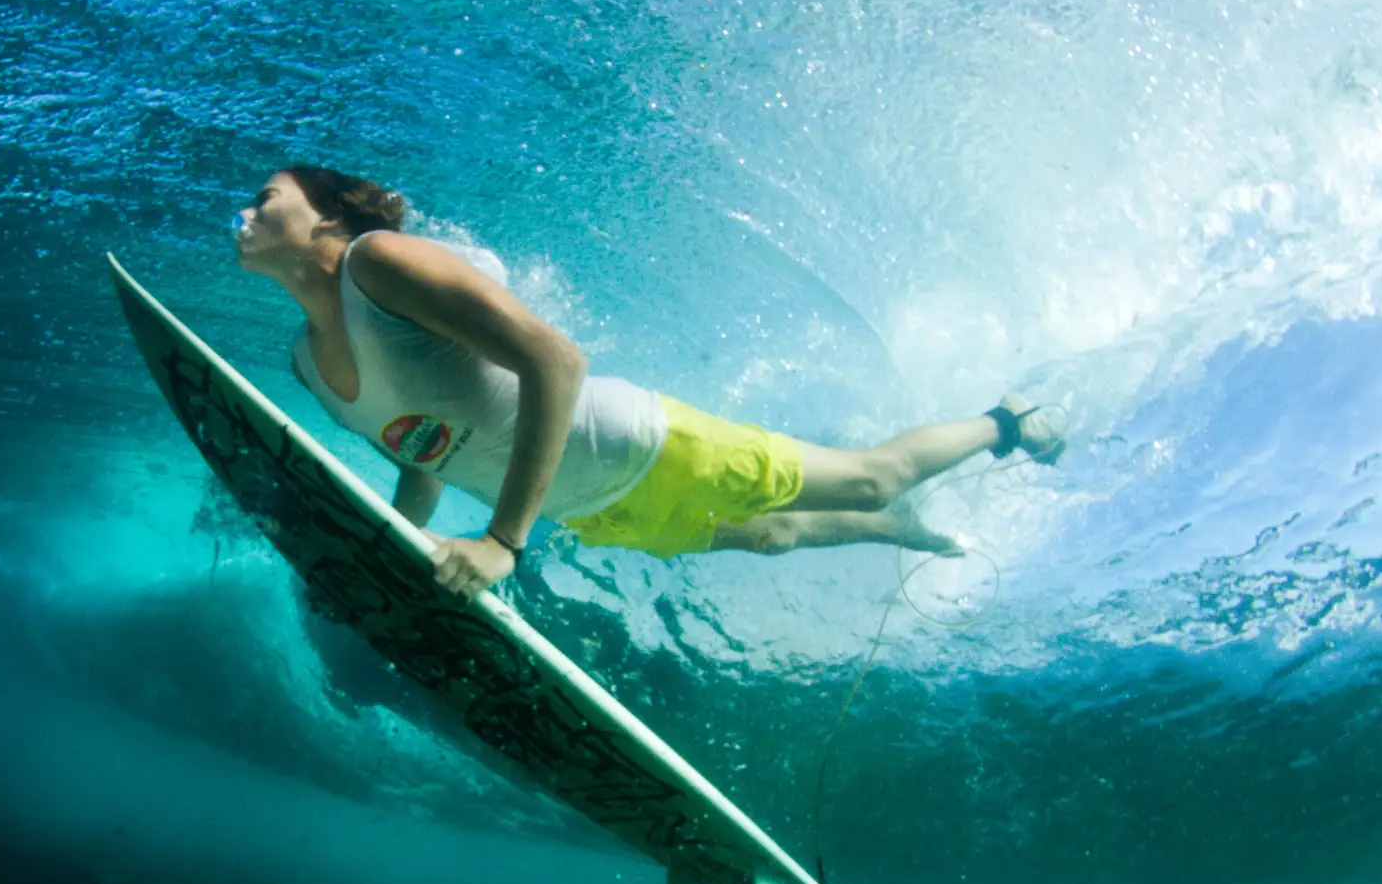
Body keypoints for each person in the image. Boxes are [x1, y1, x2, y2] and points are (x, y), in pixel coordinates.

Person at [234, 166, 1063, 598]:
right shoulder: (304, 360)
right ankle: (895, 530)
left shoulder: (380, 266)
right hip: (593, 509)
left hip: (639, 446)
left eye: (264, 197)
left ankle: (1005, 419)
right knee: (774, 538)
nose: (244, 212)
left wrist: (501, 541)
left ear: (330, 217)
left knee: (869, 473)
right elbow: (420, 456)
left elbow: (554, 360)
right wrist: (392, 543)